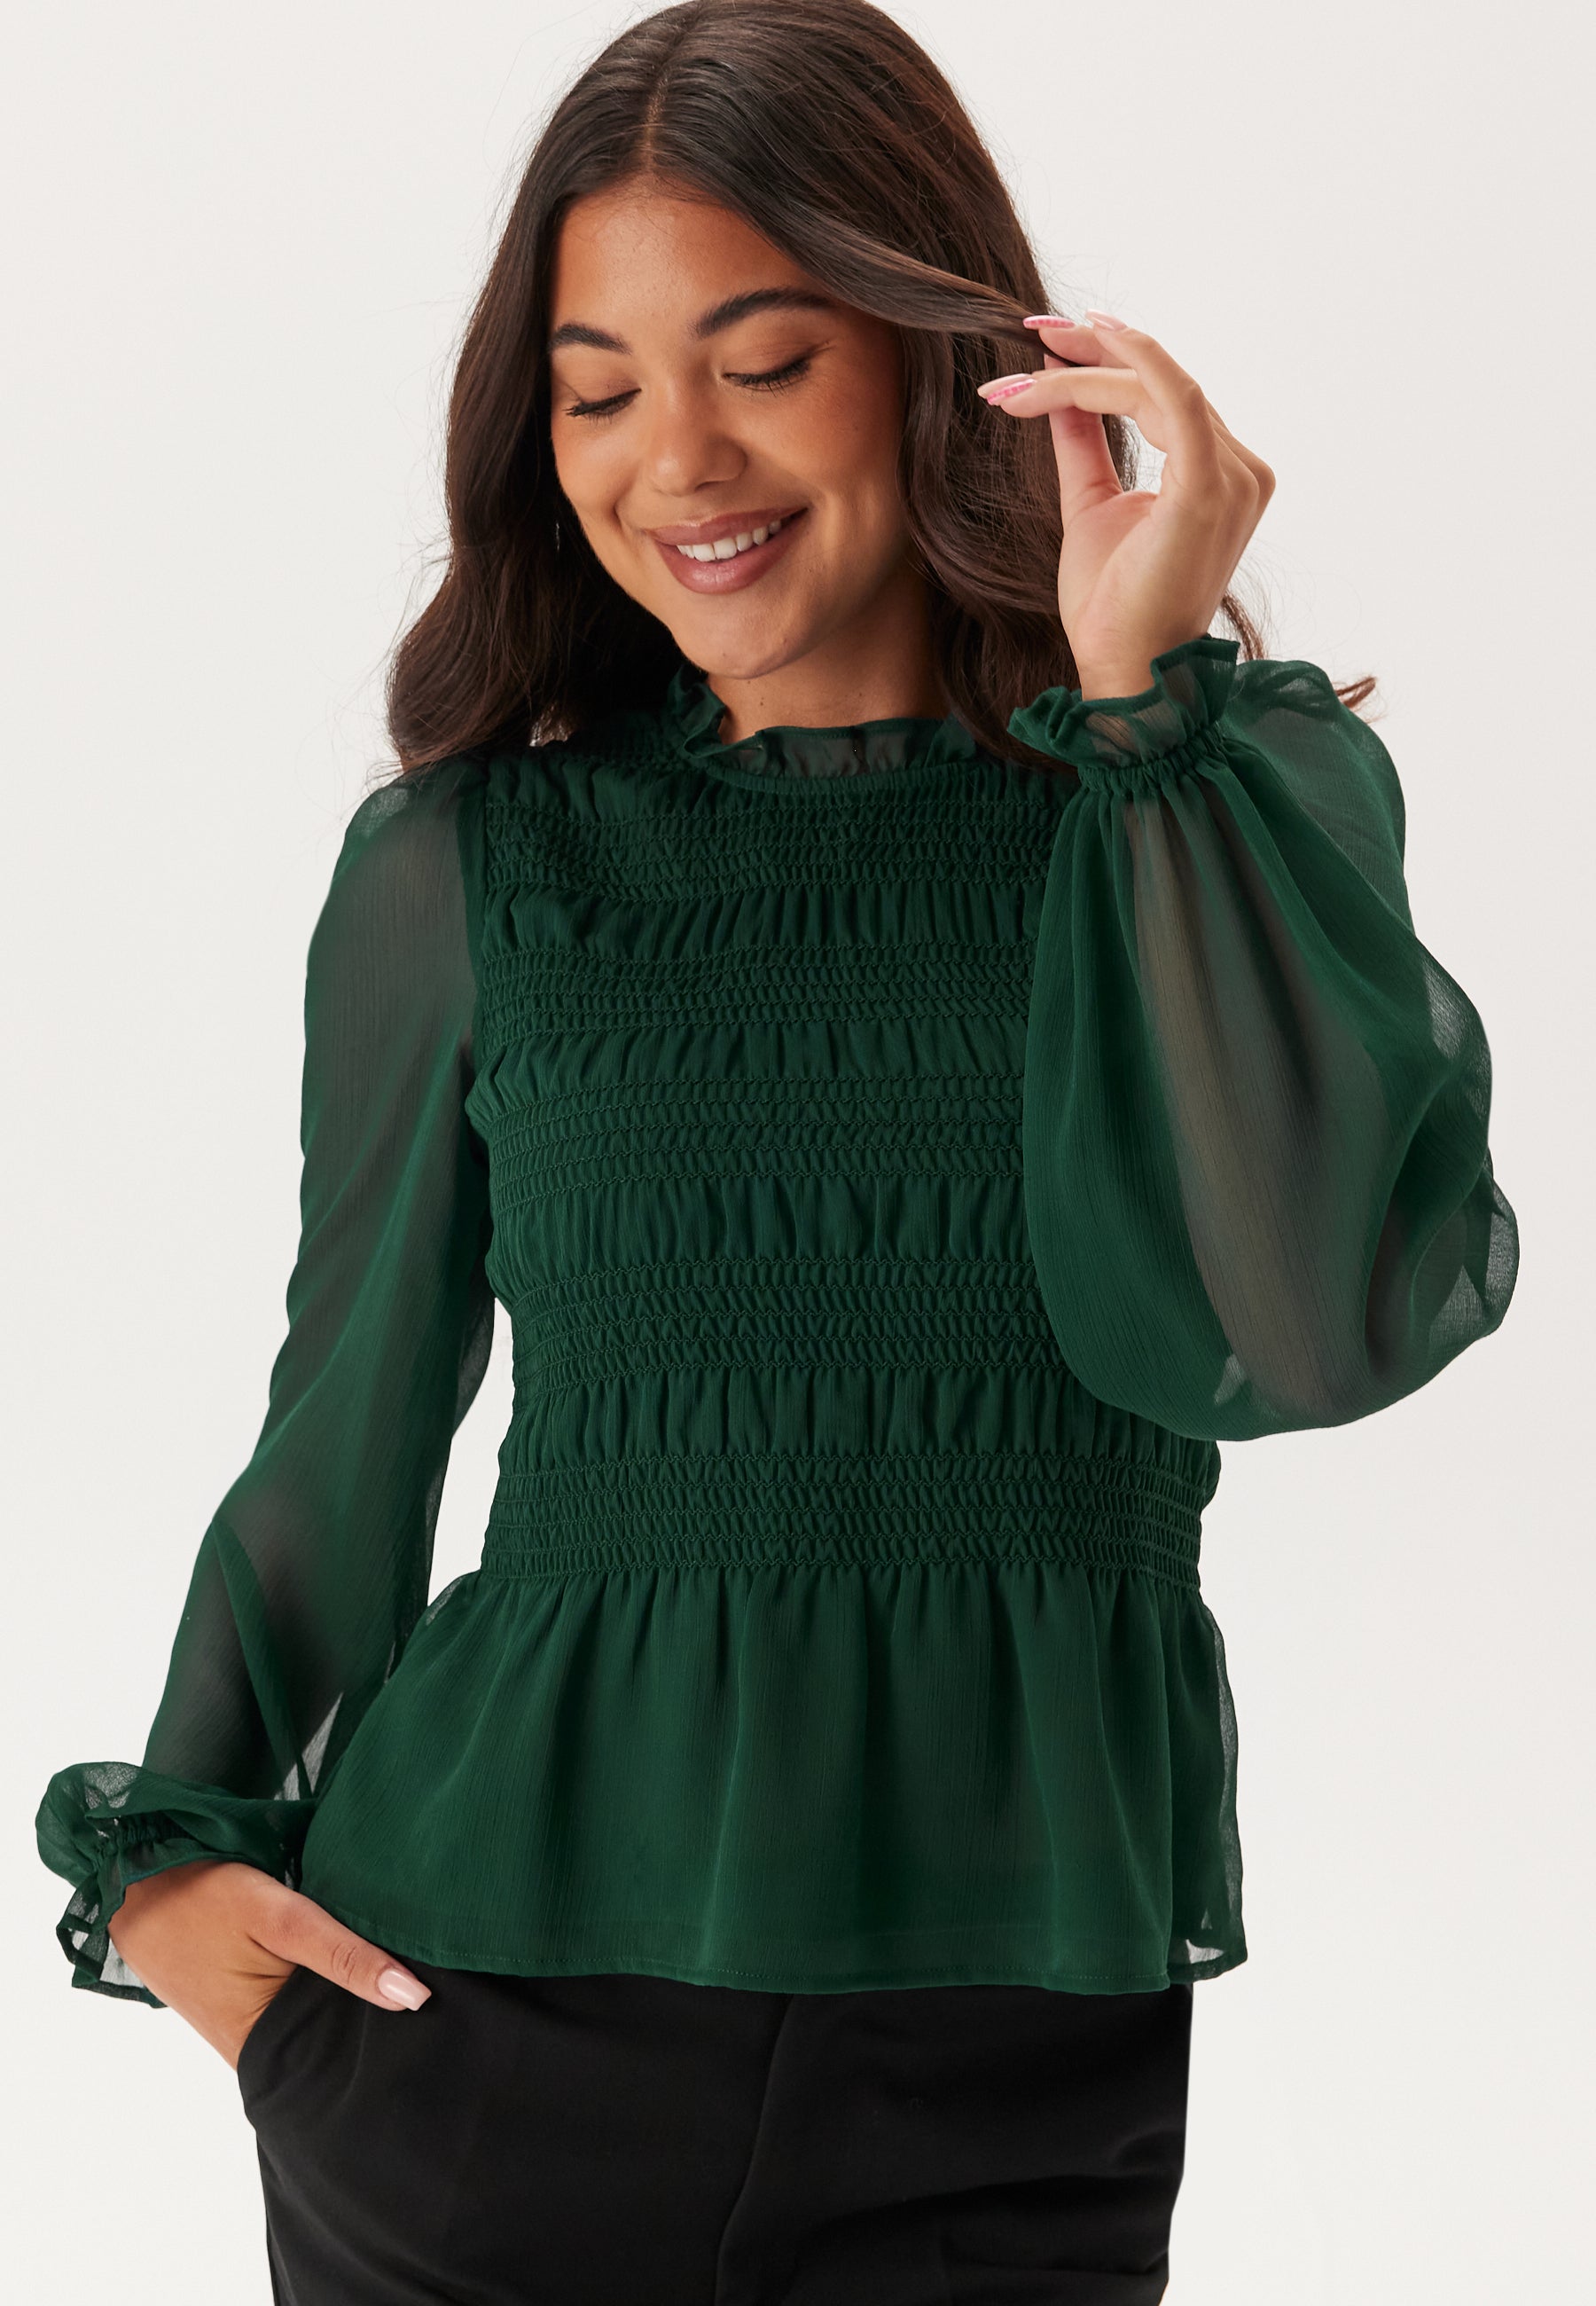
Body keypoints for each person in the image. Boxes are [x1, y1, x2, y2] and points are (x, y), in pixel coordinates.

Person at [35, 2, 1519, 2300]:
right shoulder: (473, 869)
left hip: (1017, 2081)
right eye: (599, 389)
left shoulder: (1195, 810)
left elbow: (1313, 1326)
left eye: (762, 361)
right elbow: (346, 1420)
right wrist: (178, 1871)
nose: (679, 460)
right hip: (480, 2050)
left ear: (940, 359)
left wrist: (1141, 712)